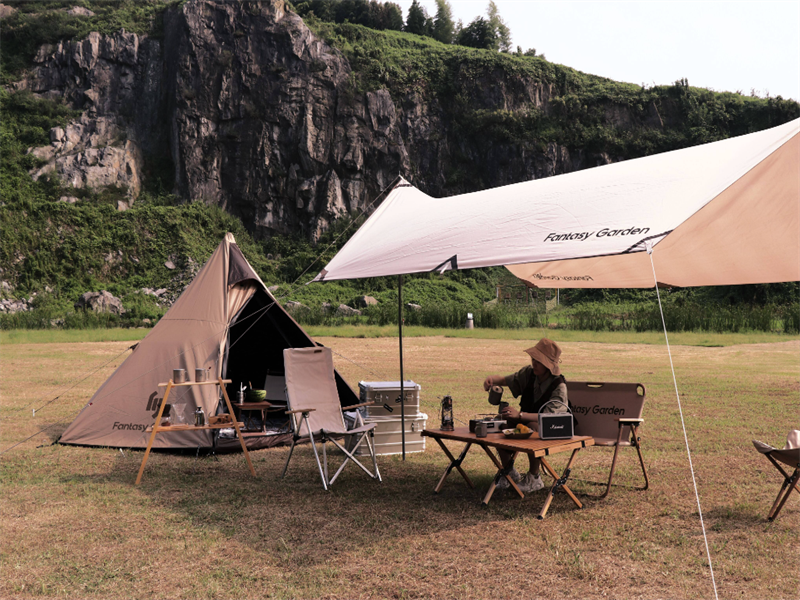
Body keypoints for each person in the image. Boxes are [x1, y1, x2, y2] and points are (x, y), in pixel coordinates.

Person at [483, 338, 568, 493]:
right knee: (500, 423)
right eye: (533, 359)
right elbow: (508, 380)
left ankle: (534, 477)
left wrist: (520, 415)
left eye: (539, 361)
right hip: (525, 422)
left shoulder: (559, 386)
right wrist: (491, 380)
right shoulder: (529, 373)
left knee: (532, 427)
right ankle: (509, 471)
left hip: (553, 429)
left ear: (549, 365)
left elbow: (552, 417)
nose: (534, 363)